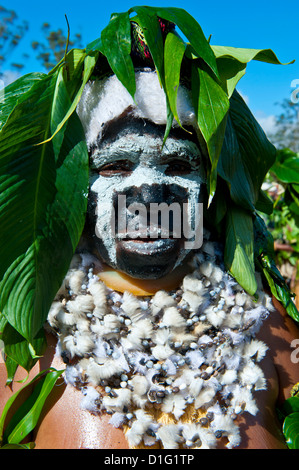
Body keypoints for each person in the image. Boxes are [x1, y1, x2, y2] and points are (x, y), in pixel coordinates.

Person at [0, 7, 298, 450]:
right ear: (72, 186)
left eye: (178, 165)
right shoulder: (24, 347)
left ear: (211, 186)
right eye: (116, 166)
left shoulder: (271, 330)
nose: (149, 201)